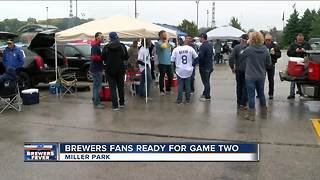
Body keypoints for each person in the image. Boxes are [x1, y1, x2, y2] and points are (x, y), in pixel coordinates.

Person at [243, 31, 272, 121]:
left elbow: (242, 56)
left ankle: (251, 116)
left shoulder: (249, 49)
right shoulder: (265, 50)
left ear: (251, 39)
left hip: (250, 76)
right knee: (261, 94)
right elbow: (269, 63)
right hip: (261, 75)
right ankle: (264, 113)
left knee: (251, 95)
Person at [102, 32, 129, 111]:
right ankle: (122, 103)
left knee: (112, 88)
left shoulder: (106, 47)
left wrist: (108, 59)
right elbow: (126, 57)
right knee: (121, 87)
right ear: (117, 37)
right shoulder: (122, 46)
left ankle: (115, 106)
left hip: (109, 69)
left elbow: (102, 57)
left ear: (110, 38)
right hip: (120, 69)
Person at [171, 36, 198, 104]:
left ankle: (179, 100)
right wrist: (192, 65)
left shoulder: (176, 49)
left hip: (180, 70)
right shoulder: (190, 48)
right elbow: (197, 58)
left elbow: (172, 60)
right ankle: (187, 100)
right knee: (187, 85)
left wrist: (173, 69)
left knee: (180, 85)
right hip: (188, 69)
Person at [286, 33, 312, 99]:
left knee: (303, 79)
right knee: (293, 79)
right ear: (296, 39)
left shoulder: (306, 44)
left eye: (301, 40)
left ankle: (302, 93)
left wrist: (305, 51)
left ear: (303, 39)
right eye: (299, 40)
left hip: (304, 64)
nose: (300, 41)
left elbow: (311, 52)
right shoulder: (292, 45)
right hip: (294, 64)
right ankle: (292, 94)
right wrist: (295, 51)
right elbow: (288, 53)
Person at [229, 34, 249, 111]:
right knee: (245, 86)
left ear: (241, 39)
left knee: (239, 86)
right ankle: (243, 102)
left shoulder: (236, 47)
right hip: (247, 70)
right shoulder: (250, 47)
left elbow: (231, 58)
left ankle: (239, 101)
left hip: (239, 70)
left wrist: (232, 67)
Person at [195, 33, 214, 101]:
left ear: (202, 38)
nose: (199, 39)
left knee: (206, 82)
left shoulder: (203, 46)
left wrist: (197, 63)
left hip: (204, 67)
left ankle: (207, 96)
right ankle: (205, 93)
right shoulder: (210, 45)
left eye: (200, 38)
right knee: (207, 81)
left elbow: (201, 57)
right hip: (209, 65)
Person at [155, 30, 173, 95]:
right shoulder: (158, 43)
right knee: (162, 76)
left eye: (165, 34)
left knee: (171, 76)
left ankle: (168, 89)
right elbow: (164, 46)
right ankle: (161, 90)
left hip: (169, 62)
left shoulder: (168, 43)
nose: (165, 36)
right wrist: (166, 40)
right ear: (160, 36)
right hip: (162, 63)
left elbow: (173, 47)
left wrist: (168, 41)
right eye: (163, 34)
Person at [264, 34, 281, 100]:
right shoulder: (262, 45)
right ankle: (260, 93)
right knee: (261, 80)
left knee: (271, 80)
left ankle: (271, 94)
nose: (268, 41)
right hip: (263, 65)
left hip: (271, 65)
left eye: (269, 40)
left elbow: (279, 55)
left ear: (271, 40)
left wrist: (274, 54)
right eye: (266, 40)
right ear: (264, 40)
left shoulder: (275, 46)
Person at [90, 32, 105, 109]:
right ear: (96, 38)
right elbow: (93, 57)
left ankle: (94, 99)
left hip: (96, 68)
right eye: (101, 36)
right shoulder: (95, 46)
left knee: (96, 86)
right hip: (96, 69)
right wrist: (102, 57)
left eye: (102, 36)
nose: (102, 38)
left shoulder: (96, 46)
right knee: (97, 86)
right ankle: (97, 102)